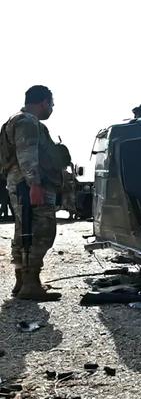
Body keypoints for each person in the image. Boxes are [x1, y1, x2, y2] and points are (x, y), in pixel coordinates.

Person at [1, 85, 67, 301]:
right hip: (29, 185)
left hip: (20, 183)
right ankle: (30, 283)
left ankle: (22, 281)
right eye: (52, 104)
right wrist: (35, 185)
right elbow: (27, 154)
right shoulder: (27, 122)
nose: (52, 108)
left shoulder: (15, 120)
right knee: (42, 231)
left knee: (24, 231)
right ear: (44, 102)